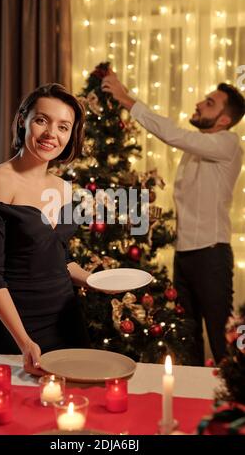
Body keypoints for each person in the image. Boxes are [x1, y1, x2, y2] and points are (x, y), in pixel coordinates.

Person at [102, 71, 245, 365]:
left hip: (211, 255)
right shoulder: (197, 149)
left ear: (223, 120)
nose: (199, 104)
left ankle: (235, 405)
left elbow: (173, 134)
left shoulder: (228, 144)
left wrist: (126, 99)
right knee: (186, 336)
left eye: (209, 103)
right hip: (185, 256)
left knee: (222, 340)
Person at [0, 83, 92, 376]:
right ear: (23, 120)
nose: (52, 133)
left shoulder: (64, 188)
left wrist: (95, 280)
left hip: (66, 321)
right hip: (18, 328)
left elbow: (60, 261)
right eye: (42, 120)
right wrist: (25, 341)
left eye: (63, 127)